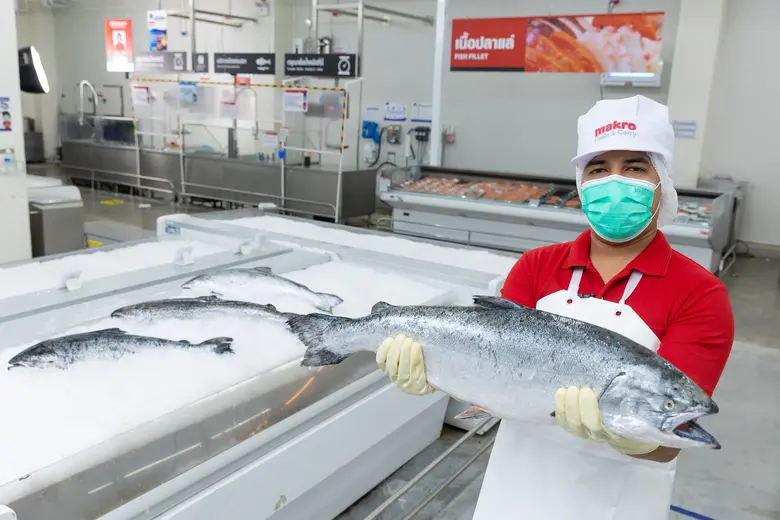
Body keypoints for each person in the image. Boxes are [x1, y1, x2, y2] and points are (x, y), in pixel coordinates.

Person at [375, 95, 734, 520]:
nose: (614, 181)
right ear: (582, 183)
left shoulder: (699, 293)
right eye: (599, 168)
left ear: (662, 181)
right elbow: (493, 371)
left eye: (635, 167)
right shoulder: (537, 266)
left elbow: (664, 443)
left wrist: (637, 439)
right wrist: (436, 373)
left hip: (618, 501)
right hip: (515, 487)